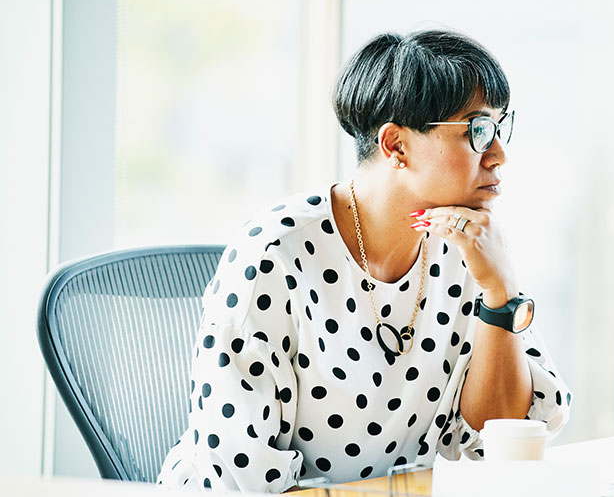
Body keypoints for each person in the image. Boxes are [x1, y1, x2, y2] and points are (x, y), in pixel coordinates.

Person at [157, 29, 571, 492]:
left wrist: (501, 293)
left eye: (500, 127)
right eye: (477, 130)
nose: (500, 155)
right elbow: (243, 479)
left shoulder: (468, 247)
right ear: (396, 145)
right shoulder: (275, 254)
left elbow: (496, 440)